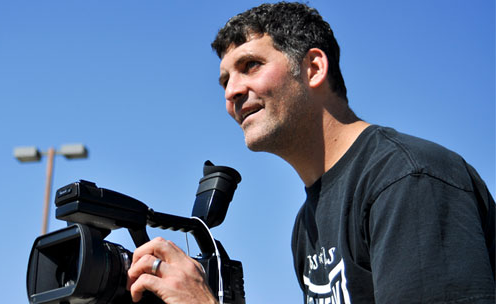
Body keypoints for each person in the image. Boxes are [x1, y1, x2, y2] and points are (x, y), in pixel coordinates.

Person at [127, 2, 495, 303]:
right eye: (225, 80)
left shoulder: (406, 180)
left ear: (314, 67)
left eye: (250, 66)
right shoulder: (306, 225)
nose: (232, 92)